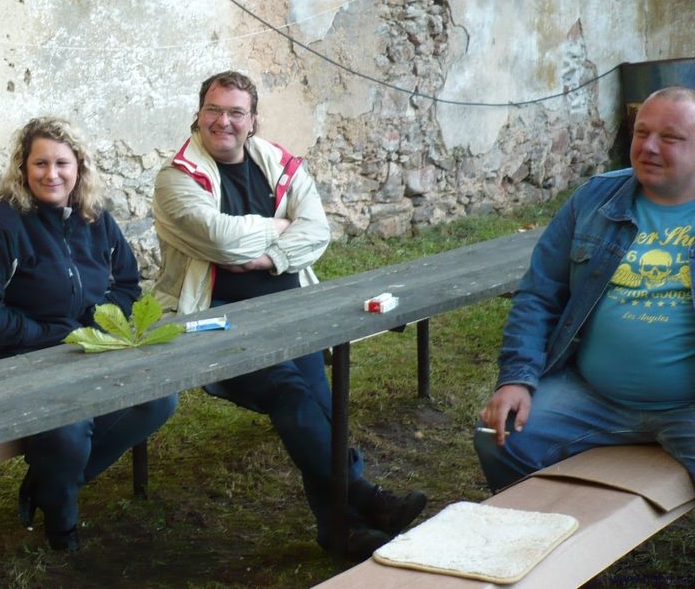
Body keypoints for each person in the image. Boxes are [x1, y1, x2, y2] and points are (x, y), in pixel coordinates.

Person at [152, 70, 427, 560]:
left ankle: (339, 530)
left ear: (252, 119)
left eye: (236, 112)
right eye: (214, 109)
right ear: (199, 113)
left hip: (290, 307)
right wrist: (281, 226)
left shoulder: (277, 163)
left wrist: (271, 257)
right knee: (289, 391)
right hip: (216, 317)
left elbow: (317, 231)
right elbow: (220, 239)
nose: (223, 121)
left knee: (318, 402)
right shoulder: (176, 178)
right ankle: (363, 496)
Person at [0, 116, 177, 552]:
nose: (51, 174)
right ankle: (62, 524)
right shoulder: (1, 228)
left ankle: (49, 481)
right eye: (40, 163)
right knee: (68, 427)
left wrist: (96, 324)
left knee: (157, 398)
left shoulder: (96, 219)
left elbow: (127, 283)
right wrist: (44, 332)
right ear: (23, 168)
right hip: (9, 353)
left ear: (79, 168)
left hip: (81, 345)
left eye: (61, 163)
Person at [476, 85, 695, 491]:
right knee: (500, 436)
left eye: (670, 138)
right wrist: (516, 379)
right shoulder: (594, 200)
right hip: (592, 397)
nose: (648, 147)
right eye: (641, 132)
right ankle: (546, 525)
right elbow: (539, 294)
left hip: (687, 408)